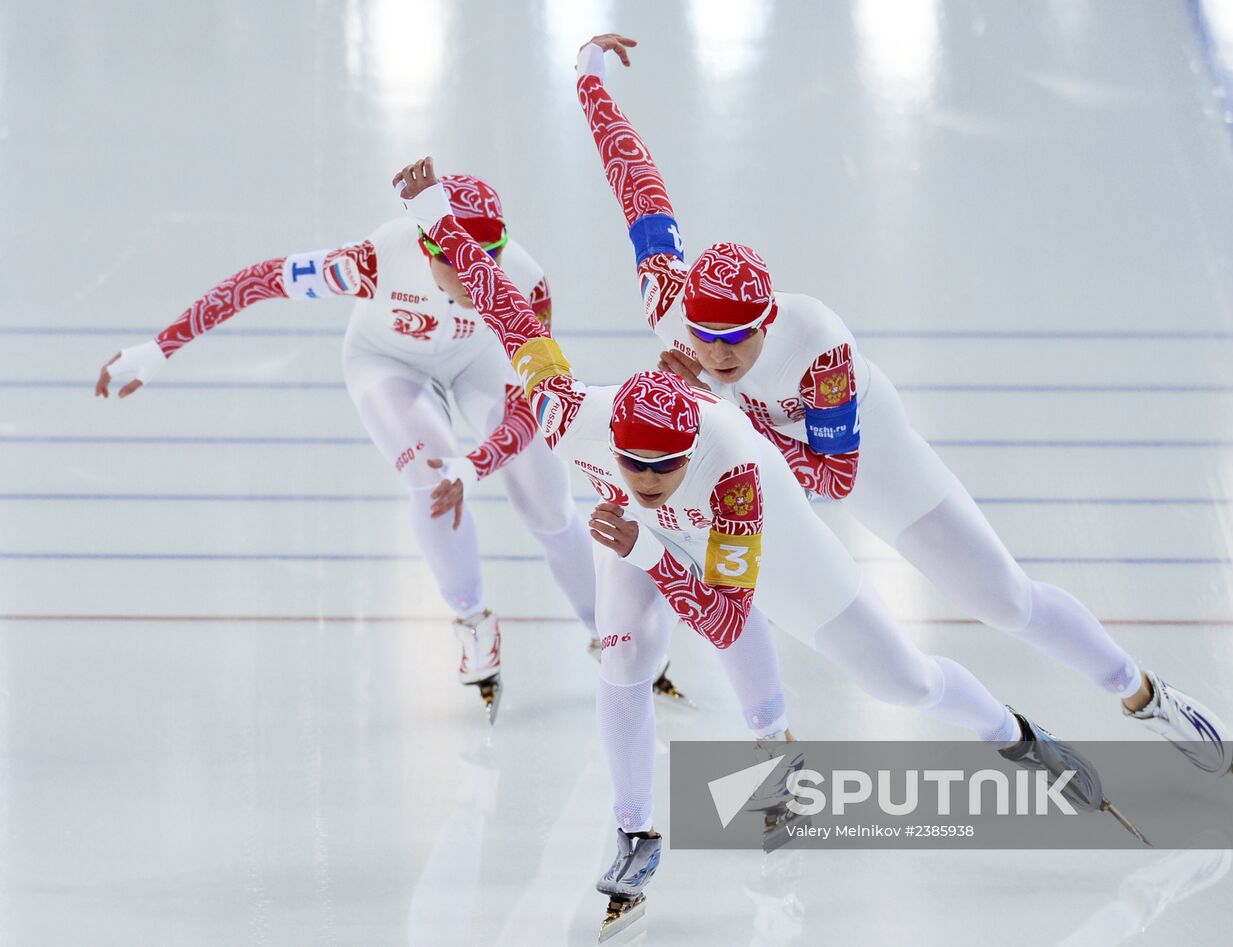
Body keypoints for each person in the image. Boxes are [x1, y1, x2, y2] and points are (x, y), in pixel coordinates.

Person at [392, 156, 1132, 939]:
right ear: (605, 439)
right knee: (622, 657)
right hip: (638, 541)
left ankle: (1013, 734)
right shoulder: (566, 410)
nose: (648, 478)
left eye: (664, 466)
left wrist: (644, 543)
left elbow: (722, 617)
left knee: (904, 683)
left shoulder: (741, 475)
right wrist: (438, 210)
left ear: (694, 451)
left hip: (761, 548)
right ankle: (636, 828)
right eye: (632, 464)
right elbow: (506, 308)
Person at [573, 33, 1233, 790]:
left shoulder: (818, 343)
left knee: (1003, 598)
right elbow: (638, 190)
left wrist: (727, 404)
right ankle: (1002, 729)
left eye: (738, 338)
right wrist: (591, 82)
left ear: (769, 319)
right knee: (882, 665)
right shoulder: (673, 306)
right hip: (760, 466)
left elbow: (832, 480)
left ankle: (1142, 694)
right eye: (707, 336)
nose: (719, 351)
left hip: (865, 456)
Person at [94, 174, 607, 722]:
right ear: (426, 244)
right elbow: (261, 280)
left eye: (486, 265)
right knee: (433, 479)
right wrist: (162, 346)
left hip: (481, 362)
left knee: (546, 499)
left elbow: (537, 403)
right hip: (389, 364)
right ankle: (473, 620)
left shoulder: (524, 284)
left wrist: (479, 462)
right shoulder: (379, 258)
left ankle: (607, 626)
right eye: (455, 265)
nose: (472, 283)